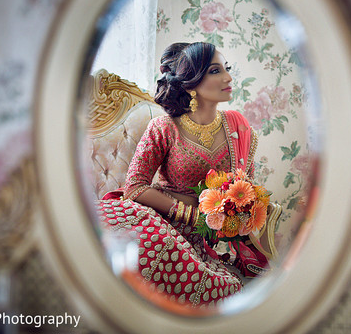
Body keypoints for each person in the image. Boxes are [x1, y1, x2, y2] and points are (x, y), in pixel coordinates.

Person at [96, 42, 269, 307]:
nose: (228, 77)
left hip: (201, 238)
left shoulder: (239, 129)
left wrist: (235, 218)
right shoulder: (164, 127)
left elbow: (245, 190)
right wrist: (188, 214)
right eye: (215, 71)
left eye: (227, 68)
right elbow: (134, 188)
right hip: (158, 221)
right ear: (191, 84)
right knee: (130, 250)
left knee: (227, 289)